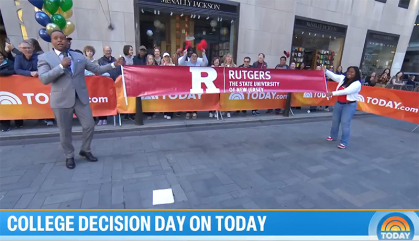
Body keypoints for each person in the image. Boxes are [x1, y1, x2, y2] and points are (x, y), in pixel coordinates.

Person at [37, 30, 123, 169]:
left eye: (62, 38)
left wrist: (114, 65)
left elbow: (97, 69)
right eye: (56, 38)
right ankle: (69, 155)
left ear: (67, 40)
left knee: (89, 125)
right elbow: (44, 78)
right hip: (61, 99)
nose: (59, 41)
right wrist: (61, 66)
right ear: (51, 41)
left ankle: (85, 149)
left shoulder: (78, 56)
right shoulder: (45, 58)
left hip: (80, 98)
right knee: (65, 130)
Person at [325, 66, 362, 149]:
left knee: (345, 123)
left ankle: (344, 142)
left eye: (352, 72)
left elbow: (346, 91)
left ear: (356, 74)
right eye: (349, 71)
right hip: (339, 103)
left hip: (349, 105)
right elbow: (334, 76)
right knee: (335, 121)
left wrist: (332, 93)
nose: (350, 73)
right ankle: (333, 136)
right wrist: (325, 70)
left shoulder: (357, 84)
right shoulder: (343, 78)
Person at [179, 48, 208, 120]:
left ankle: (195, 111)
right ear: (190, 57)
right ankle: (188, 112)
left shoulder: (199, 63)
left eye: (195, 56)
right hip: (188, 83)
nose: (194, 57)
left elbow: (206, 63)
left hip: (196, 83)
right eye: (192, 56)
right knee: (188, 98)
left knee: (195, 98)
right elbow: (181, 63)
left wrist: (203, 54)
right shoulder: (187, 63)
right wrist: (184, 55)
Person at [96, 46, 117, 125]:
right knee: (103, 101)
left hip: (113, 83)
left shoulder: (115, 60)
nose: (108, 52)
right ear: (104, 51)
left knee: (112, 100)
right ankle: (102, 118)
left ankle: (112, 116)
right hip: (103, 84)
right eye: (106, 50)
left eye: (109, 50)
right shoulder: (100, 61)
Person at [0, 51, 19, 132]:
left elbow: (14, 71)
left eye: (0, 55)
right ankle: (4, 124)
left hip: (11, 89)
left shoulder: (10, 63)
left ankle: (18, 122)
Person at [161, 52, 175, 120]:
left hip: (171, 85)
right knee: (165, 99)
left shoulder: (173, 65)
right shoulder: (161, 66)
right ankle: (165, 112)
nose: (166, 58)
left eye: (167, 57)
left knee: (170, 99)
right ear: (163, 58)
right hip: (164, 85)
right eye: (165, 57)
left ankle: (170, 113)